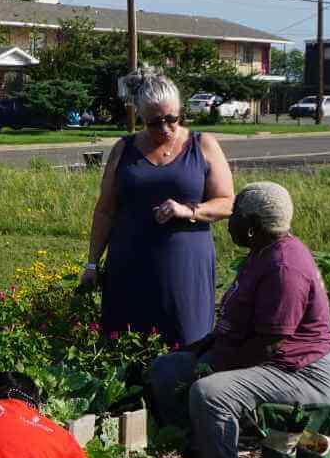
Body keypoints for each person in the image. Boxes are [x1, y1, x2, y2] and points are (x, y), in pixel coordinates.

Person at [147, 181, 330, 458]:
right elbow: (236, 330)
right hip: (274, 360)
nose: (230, 220)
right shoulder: (262, 252)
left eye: (235, 214)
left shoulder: (285, 268)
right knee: (168, 368)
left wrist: (211, 366)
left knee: (211, 392)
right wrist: (198, 351)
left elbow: (269, 344)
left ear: (252, 224)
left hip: (303, 372)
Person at [79, 70, 236, 347]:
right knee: (125, 346)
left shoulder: (204, 145)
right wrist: (92, 263)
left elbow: (227, 202)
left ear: (180, 112)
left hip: (185, 269)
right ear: (140, 117)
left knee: (188, 344)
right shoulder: (123, 149)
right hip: (129, 267)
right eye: (154, 122)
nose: (164, 128)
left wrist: (189, 211)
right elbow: (105, 210)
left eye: (172, 119)